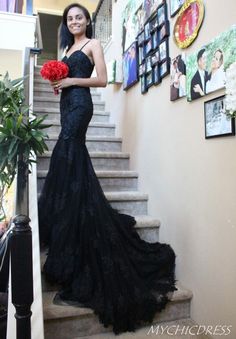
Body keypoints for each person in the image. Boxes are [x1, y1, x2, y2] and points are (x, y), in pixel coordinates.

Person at [38, 2, 176, 335]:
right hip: (67, 103)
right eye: (70, 18)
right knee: (69, 161)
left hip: (81, 107)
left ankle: (76, 222)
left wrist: (71, 80)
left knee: (66, 154)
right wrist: (60, 84)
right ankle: (72, 214)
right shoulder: (67, 46)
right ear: (66, 24)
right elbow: (67, 80)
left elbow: (100, 79)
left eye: (79, 17)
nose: (74, 21)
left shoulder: (92, 45)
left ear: (87, 21)